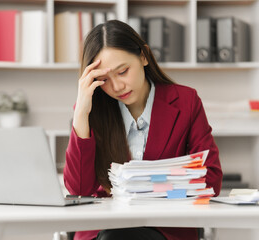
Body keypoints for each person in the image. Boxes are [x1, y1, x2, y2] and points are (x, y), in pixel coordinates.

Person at [64, 20, 223, 240]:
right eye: (104, 80)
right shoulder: (91, 111)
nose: (117, 87)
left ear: (144, 56)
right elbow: (78, 191)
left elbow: (211, 181)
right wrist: (81, 114)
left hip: (166, 230)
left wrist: (154, 190)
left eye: (123, 71)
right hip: (103, 230)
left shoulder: (186, 101)